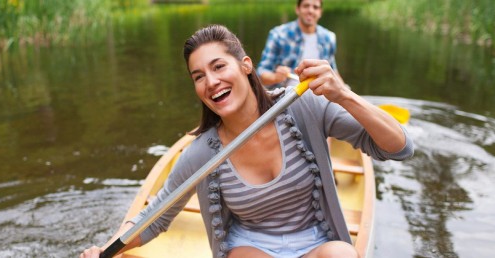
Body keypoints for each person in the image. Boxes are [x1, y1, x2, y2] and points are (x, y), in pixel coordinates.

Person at [81, 24, 413, 258]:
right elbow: (155, 216)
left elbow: (397, 146)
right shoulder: (202, 153)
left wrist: (343, 95)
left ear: (245, 65)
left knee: (342, 254)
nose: (211, 82)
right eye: (199, 76)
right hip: (252, 249)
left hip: (316, 242)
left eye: (218, 66)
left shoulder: (303, 107)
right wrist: (104, 250)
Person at [257, 0, 345, 88]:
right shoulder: (279, 34)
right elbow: (261, 73)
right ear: (297, 9)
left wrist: (346, 92)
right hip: (285, 96)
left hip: (319, 95)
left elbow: (333, 72)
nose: (310, 11)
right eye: (306, 6)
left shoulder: (329, 37)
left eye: (315, 7)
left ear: (320, 12)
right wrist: (275, 77)